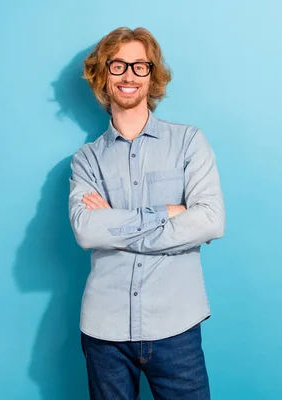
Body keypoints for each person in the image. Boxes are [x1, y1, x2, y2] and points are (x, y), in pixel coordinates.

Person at [68, 26, 225, 399]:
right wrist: (167, 213)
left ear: (152, 76)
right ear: (103, 75)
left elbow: (210, 220)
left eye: (140, 66)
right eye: (118, 65)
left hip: (176, 325)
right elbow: (87, 231)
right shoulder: (86, 160)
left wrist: (116, 225)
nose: (128, 75)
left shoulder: (189, 142)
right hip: (104, 330)